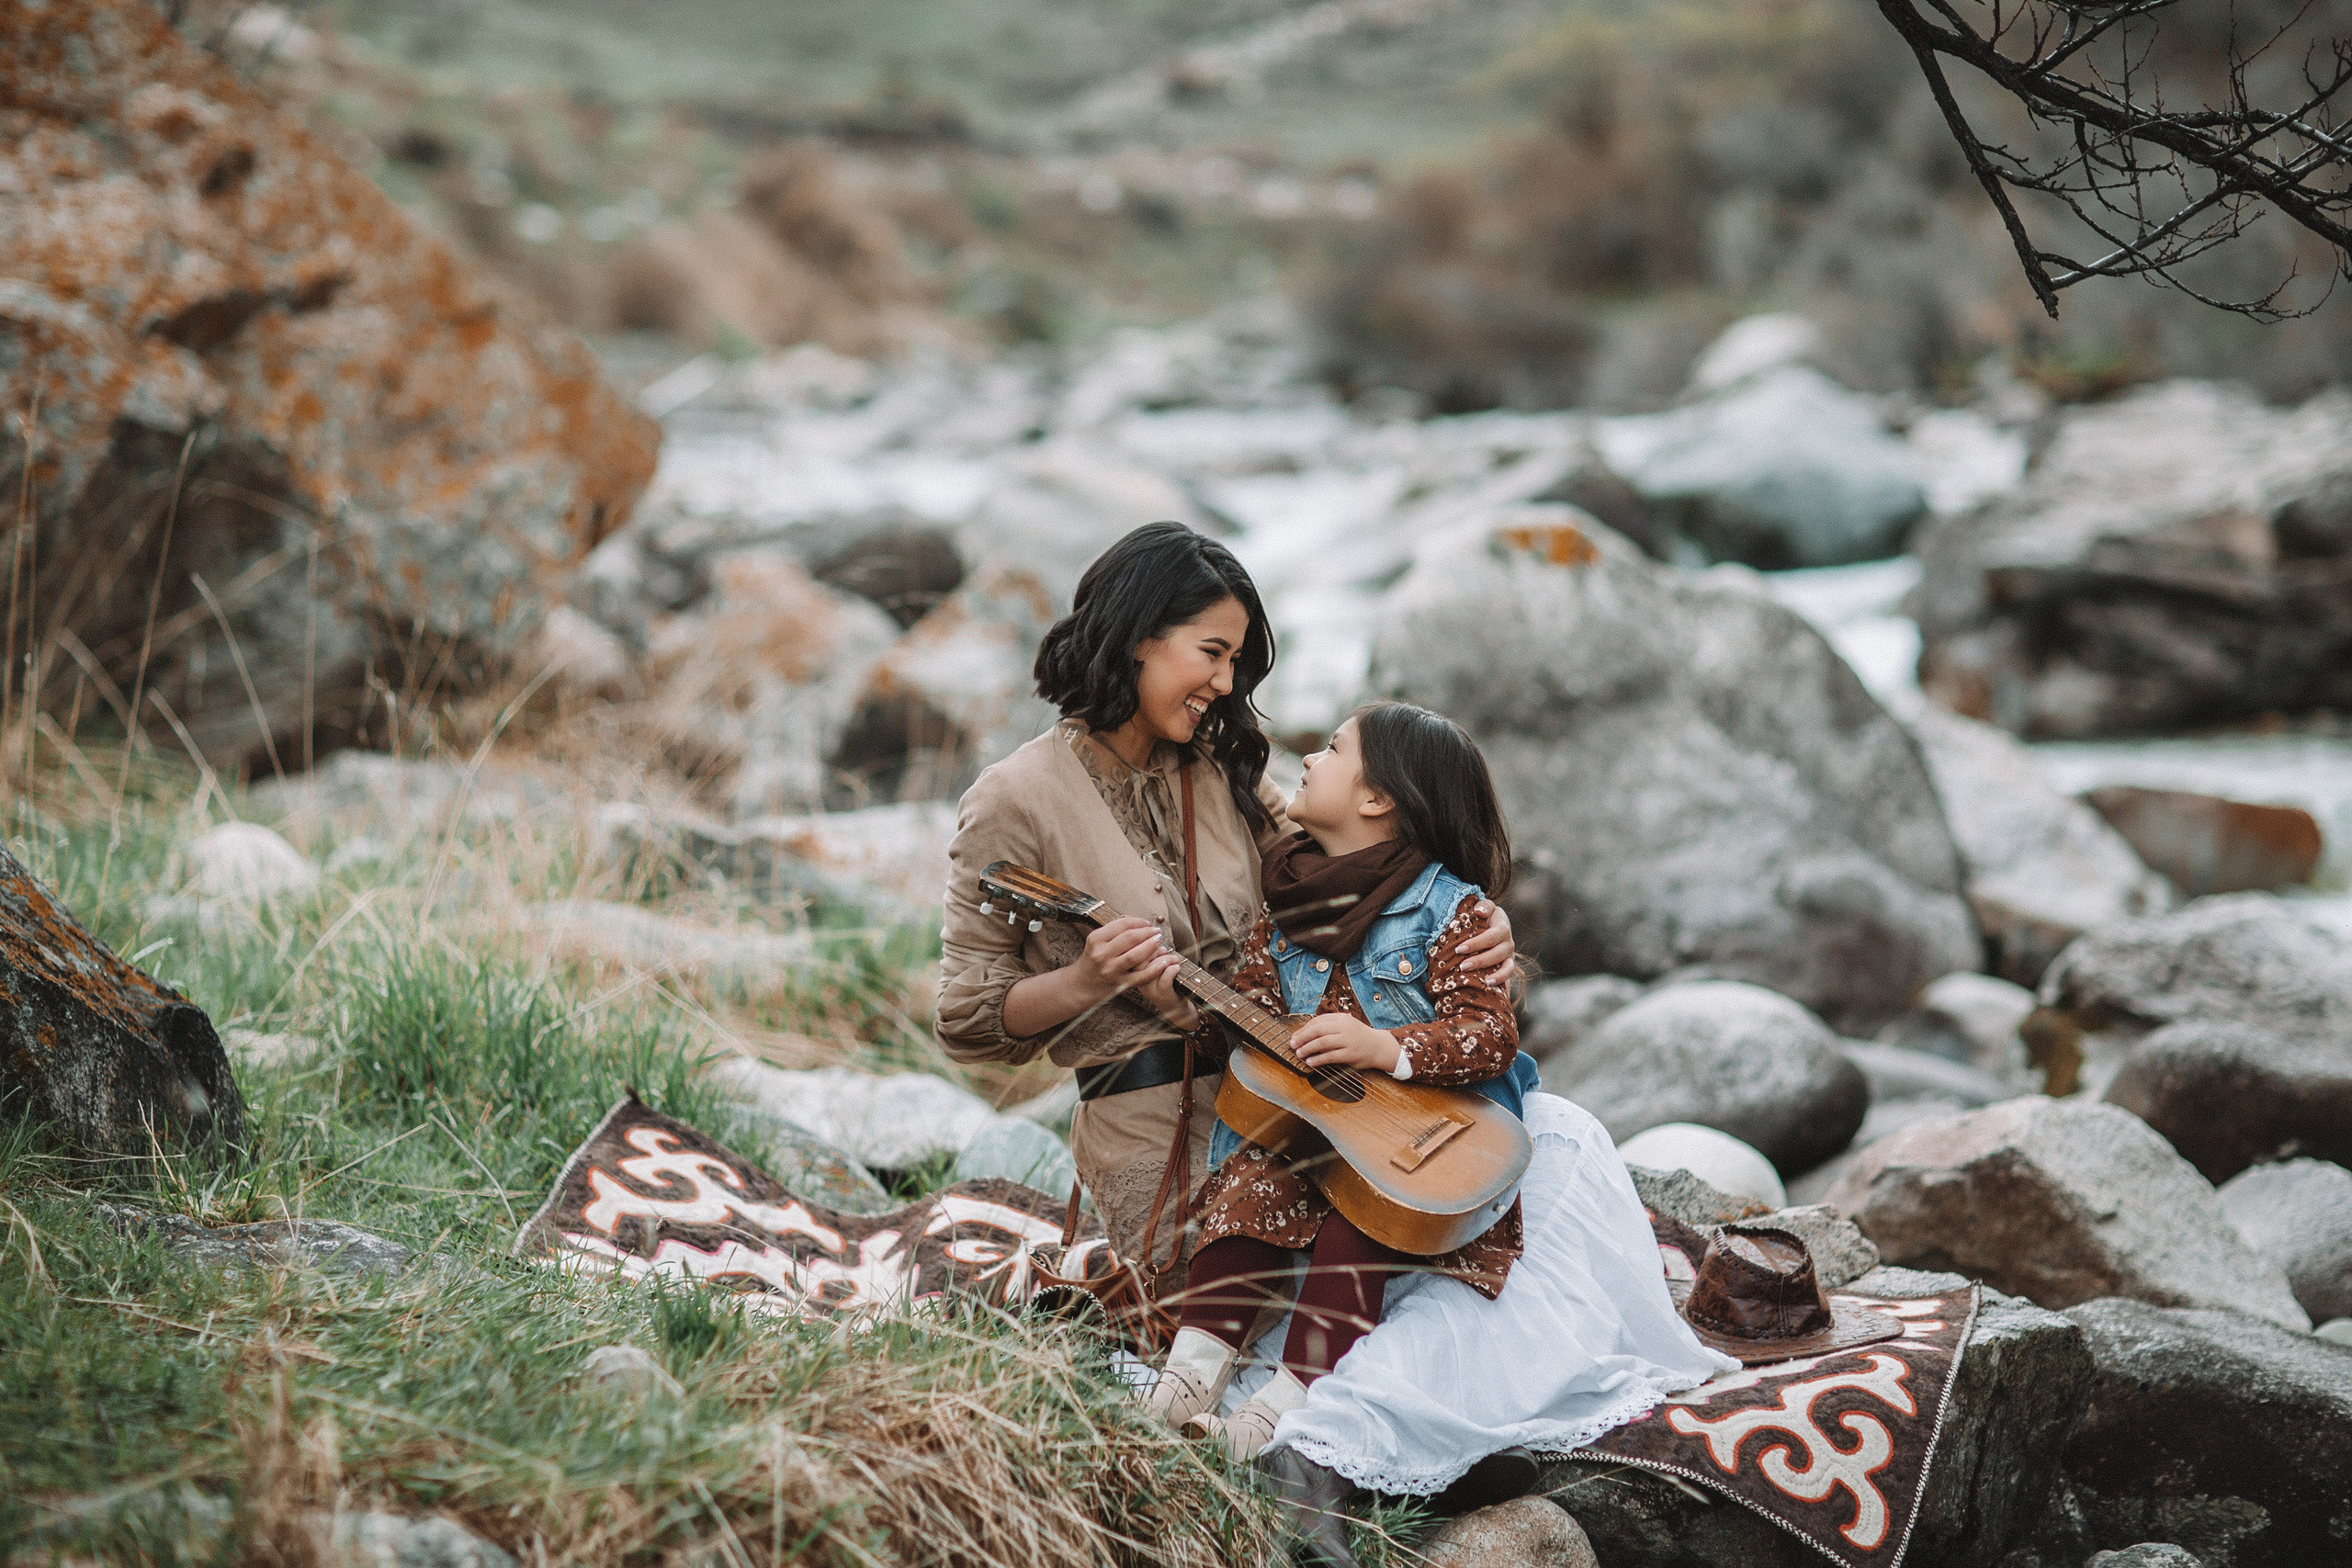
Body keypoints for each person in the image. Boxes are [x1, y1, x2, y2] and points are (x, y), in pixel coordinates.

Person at [932, 524, 1516, 1302]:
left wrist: (1473, 918)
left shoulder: (1218, 763)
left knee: (1439, 1248)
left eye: (1237, 659)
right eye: (1213, 652)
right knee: (1240, 1322)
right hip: (1150, 1133)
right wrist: (1085, 978)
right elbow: (965, 1019)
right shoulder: (1014, 798)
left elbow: (1358, 870)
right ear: (1139, 636)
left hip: (1309, 1101)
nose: (1227, 680)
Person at [1143, 702, 1541, 1466]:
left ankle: (1278, 1405)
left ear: (1377, 798)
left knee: (1356, 1227)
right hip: (1316, 1127)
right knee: (1247, 1192)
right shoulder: (1286, 902)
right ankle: (1185, 1379)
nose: (1308, 758)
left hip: (1418, 1135)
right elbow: (1254, 1007)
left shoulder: (1448, 910)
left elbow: (1490, 1033)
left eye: (1330, 748)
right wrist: (1188, 995)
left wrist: (1383, 1047)